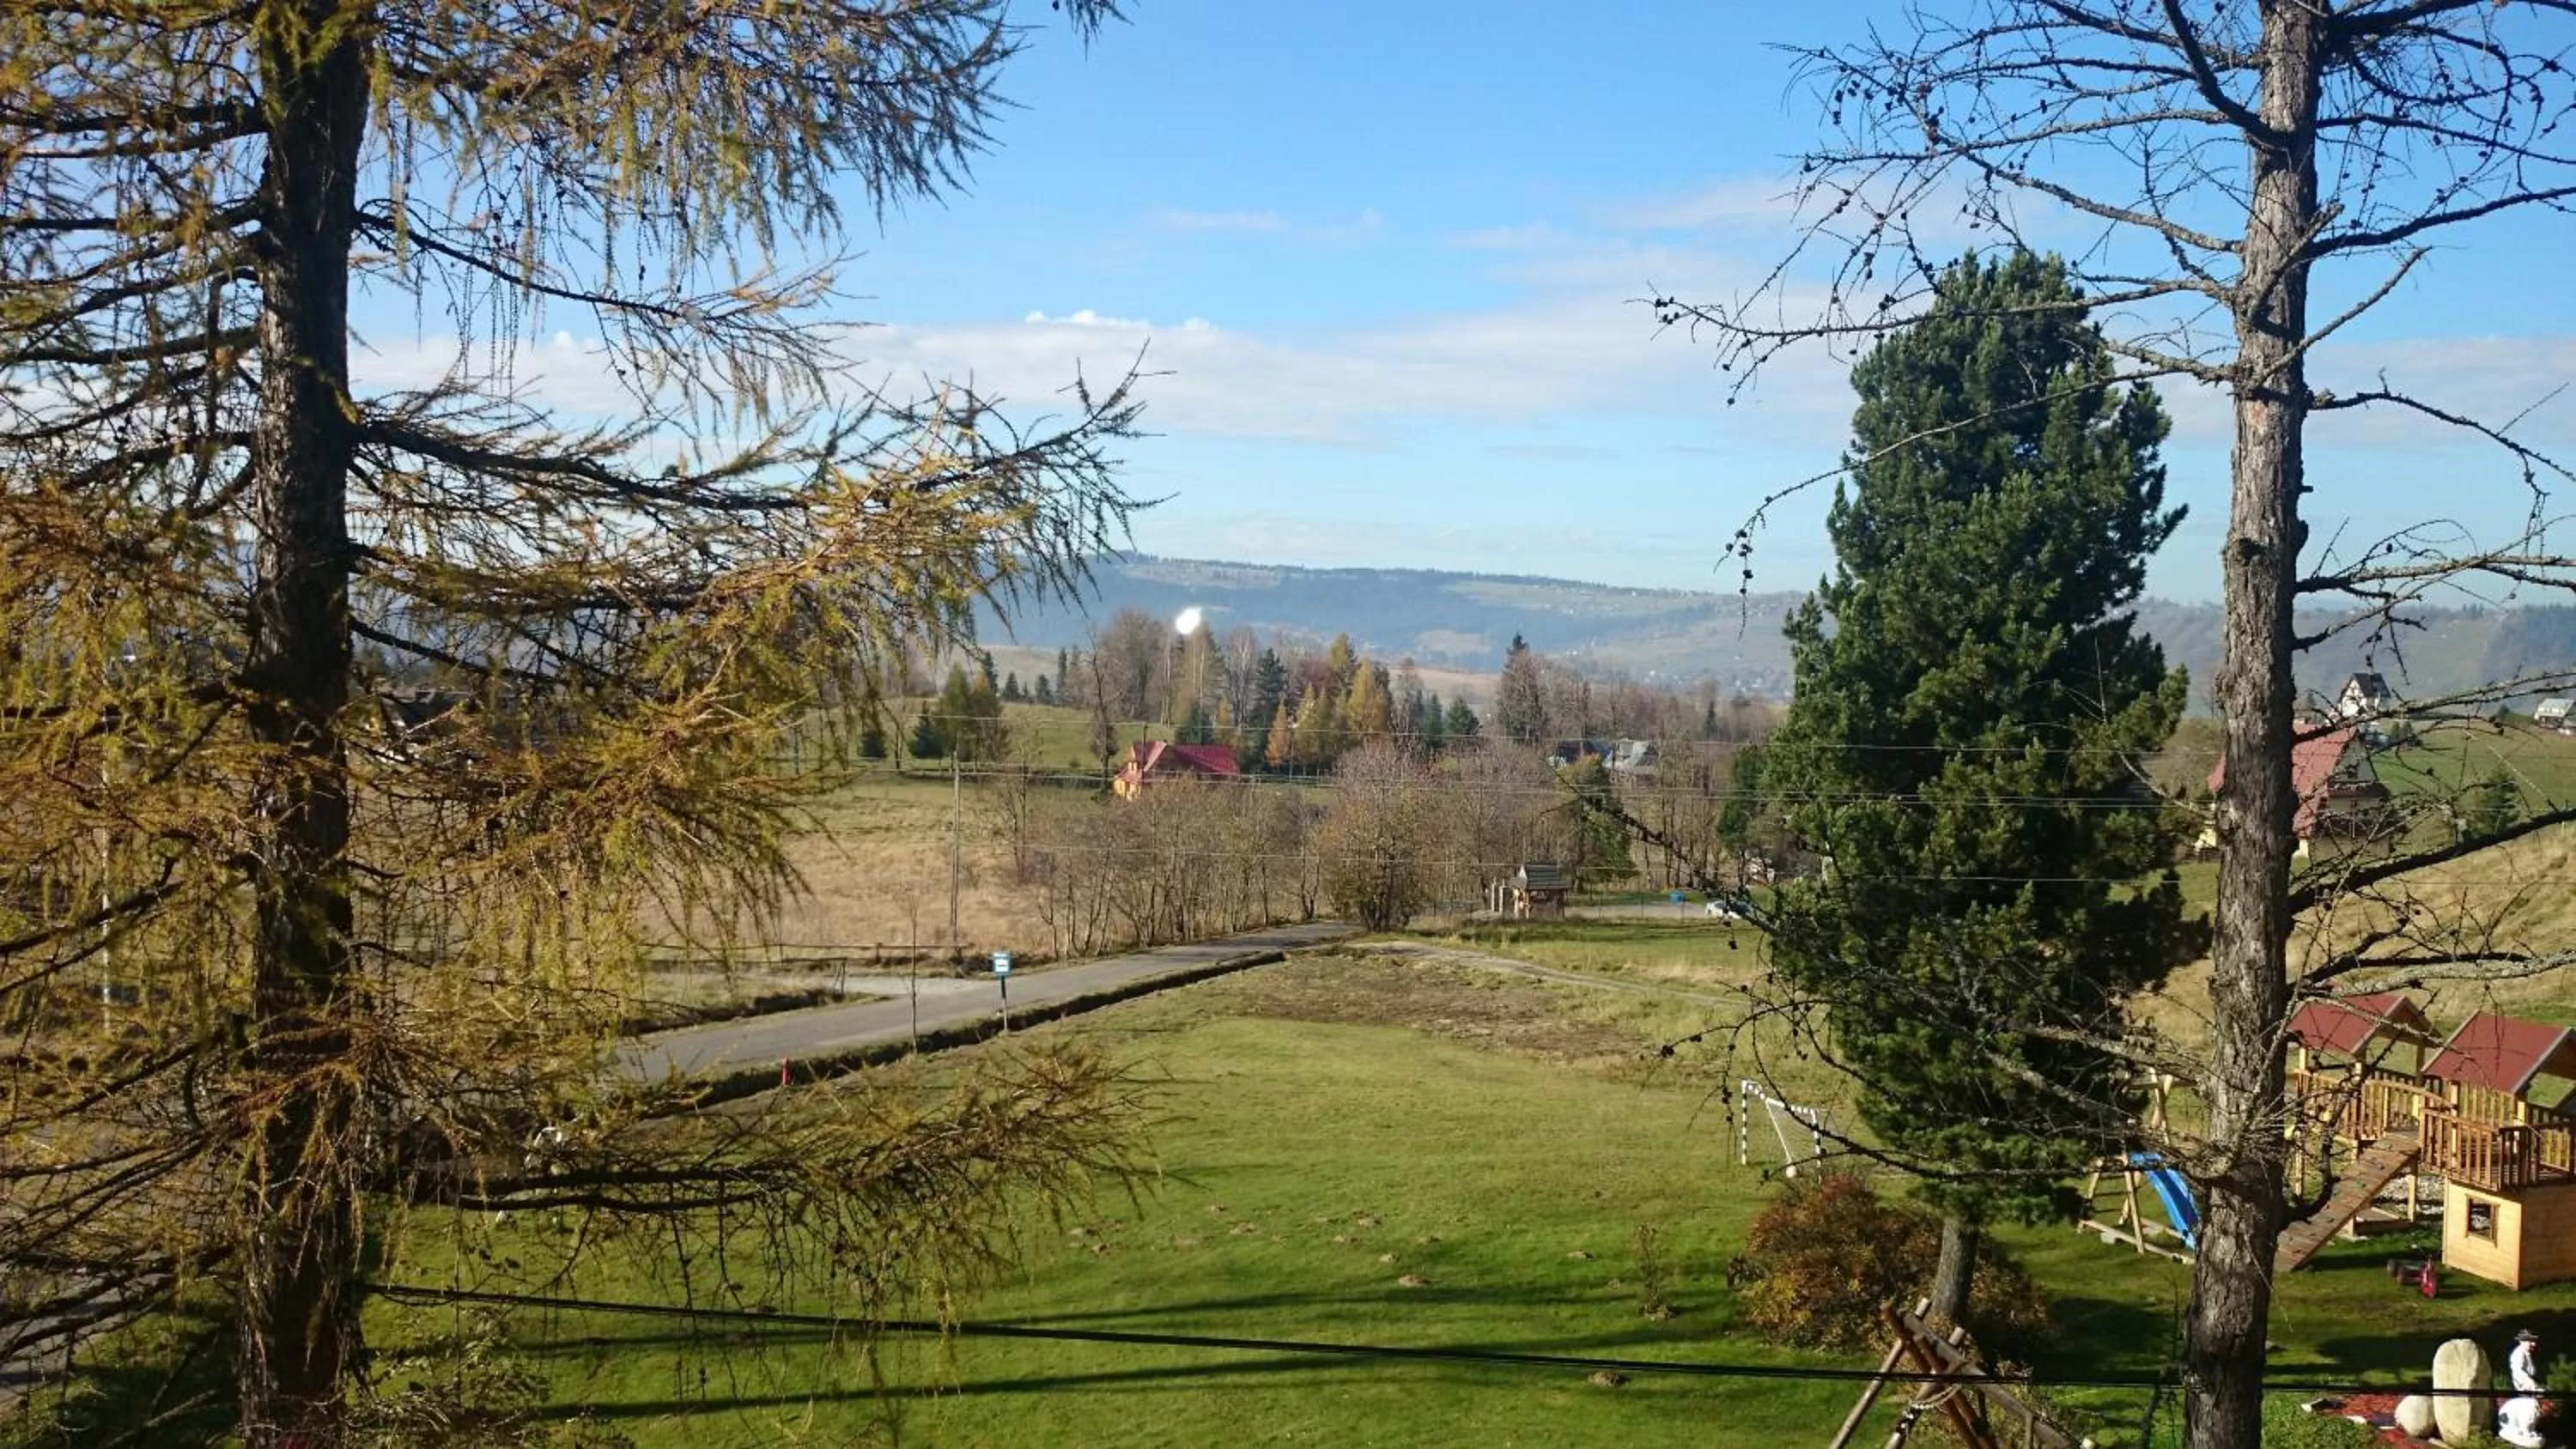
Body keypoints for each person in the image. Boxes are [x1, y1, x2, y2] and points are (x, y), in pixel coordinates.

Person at [2513, 1327, 2544, 1394]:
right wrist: (2531, 1383)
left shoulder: (2527, 1353)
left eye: (2533, 1341)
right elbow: (2518, 1371)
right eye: (2530, 1341)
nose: (2533, 1344)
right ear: (2522, 1341)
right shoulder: (2518, 1354)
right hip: (2525, 1390)